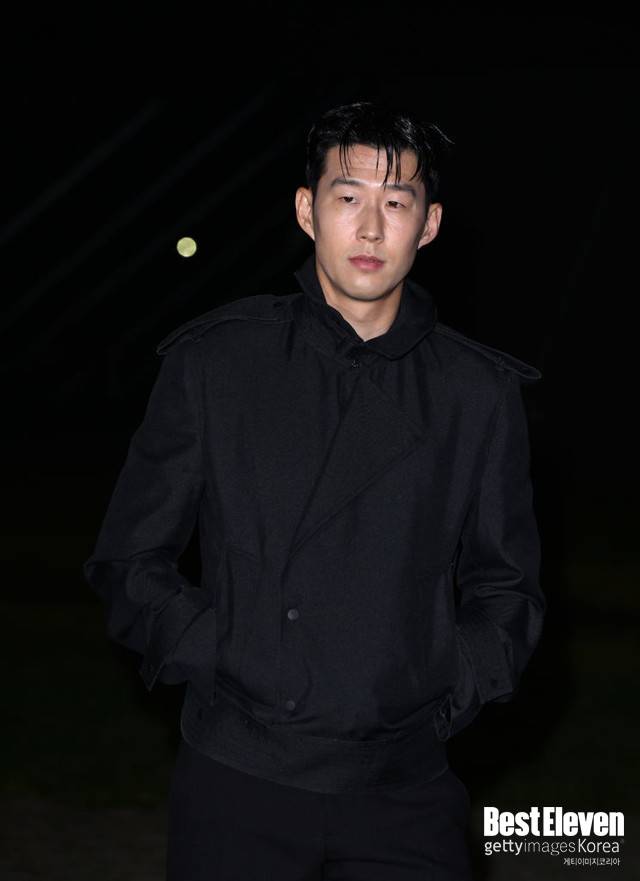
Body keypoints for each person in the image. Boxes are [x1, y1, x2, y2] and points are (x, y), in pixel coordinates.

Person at [83, 100, 545, 880]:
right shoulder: (217, 364)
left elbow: (508, 587)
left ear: (428, 224)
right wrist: (222, 651)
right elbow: (128, 560)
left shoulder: (476, 393)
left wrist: (442, 681)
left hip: (403, 787)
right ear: (307, 211)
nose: (370, 228)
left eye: (395, 202)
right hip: (238, 776)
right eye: (347, 196)